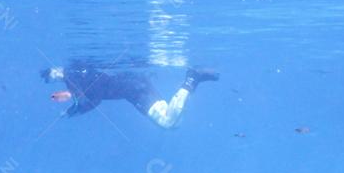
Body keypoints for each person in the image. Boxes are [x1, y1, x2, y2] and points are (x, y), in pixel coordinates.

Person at [41, 63, 218, 128]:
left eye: (50, 77)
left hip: (133, 91)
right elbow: (91, 97)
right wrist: (74, 108)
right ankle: (194, 80)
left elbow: (90, 100)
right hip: (135, 83)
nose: (53, 79)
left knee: (168, 122)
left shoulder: (71, 77)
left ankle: (192, 79)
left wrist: (71, 112)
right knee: (175, 121)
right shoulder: (78, 71)